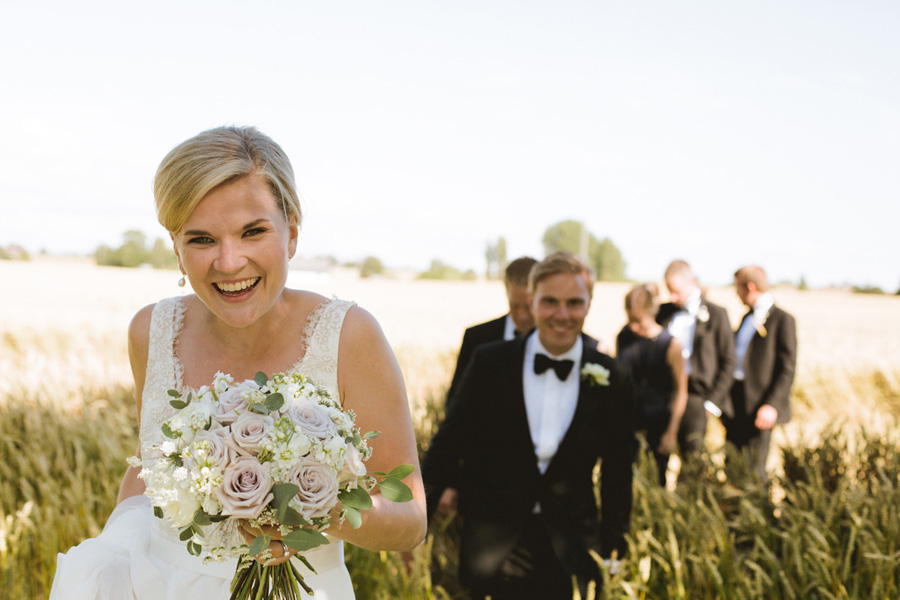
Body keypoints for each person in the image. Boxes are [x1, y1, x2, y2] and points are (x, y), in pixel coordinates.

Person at [50, 125, 427, 598]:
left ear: (292, 229)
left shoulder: (350, 336)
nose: (229, 263)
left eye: (253, 231)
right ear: (175, 246)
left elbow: (411, 519)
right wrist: (114, 565)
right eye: (201, 239)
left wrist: (315, 507)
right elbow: (149, 466)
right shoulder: (151, 331)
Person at [422, 252, 634, 599]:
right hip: (494, 546)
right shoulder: (490, 361)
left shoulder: (614, 377)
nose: (562, 315)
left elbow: (618, 471)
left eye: (574, 303)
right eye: (550, 301)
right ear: (531, 301)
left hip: (571, 549)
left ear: (589, 304)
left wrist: (614, 550)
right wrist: (418, 521)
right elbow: (451, 441)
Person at [657, 260, 735, 466]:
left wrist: (712, 403)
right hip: (665, 394)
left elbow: (728, 361)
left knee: (692, 460)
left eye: (675, 291)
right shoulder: (663, 312)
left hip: (697, 398)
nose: (672, 297)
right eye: (669, 291)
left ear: (691, 282)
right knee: (658, 455)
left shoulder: (717, 314)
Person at [725, 265, 797, 482]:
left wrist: (772, 404)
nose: (736, 293)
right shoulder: (747, 317)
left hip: (760, 405)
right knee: (733, 467)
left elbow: (787, 367)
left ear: (750, 287)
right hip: (736, 402)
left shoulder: (782, 320)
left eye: (738, 288)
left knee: (754, 471)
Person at [616, 284, 688, 486]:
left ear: (651, 313)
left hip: (659, 425)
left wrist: (671, 432)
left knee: (656, 481)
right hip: (628, 424)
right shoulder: (624, 337)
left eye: (637, 321)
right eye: (630, 319)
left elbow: (681, 390)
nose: (633, 326)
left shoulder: (671, 345)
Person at [445, 256, 538, 406]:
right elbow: (455, 402)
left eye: (529, 307)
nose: (522, 316)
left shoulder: (561, 340)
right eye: (515, 306)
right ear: (506, 292)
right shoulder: (476, 338)